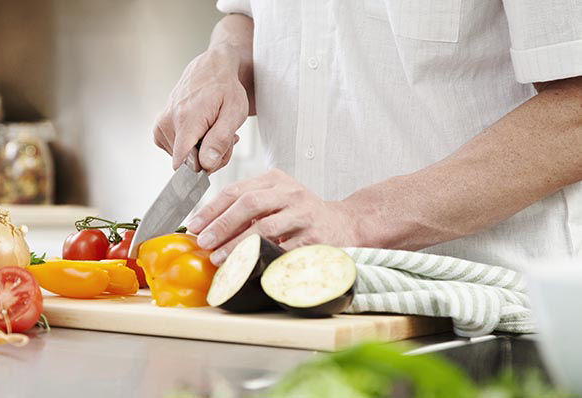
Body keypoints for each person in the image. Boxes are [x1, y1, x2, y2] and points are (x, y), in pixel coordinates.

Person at [153, 0, 582, 269]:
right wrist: (223, 60)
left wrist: (357, 221)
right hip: (298, 301)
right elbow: (248, 15)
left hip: (481, 318)